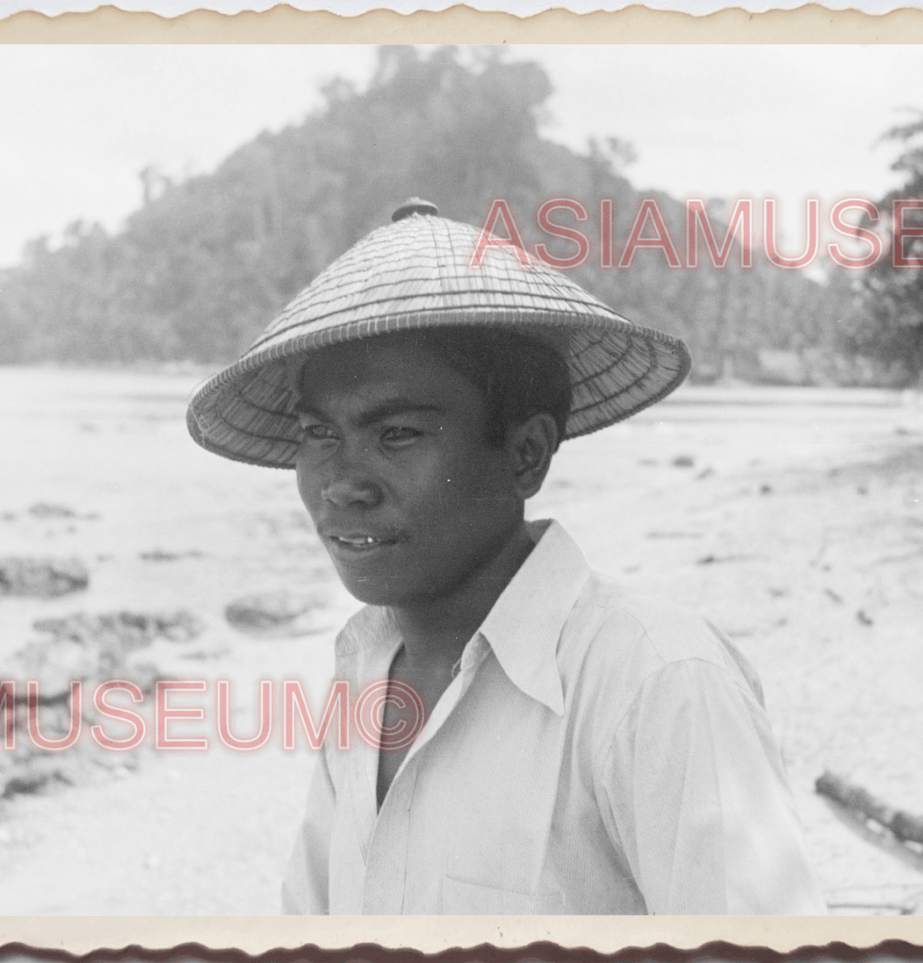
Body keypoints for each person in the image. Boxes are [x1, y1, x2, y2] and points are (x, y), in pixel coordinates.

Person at [186, 198, 825, 915]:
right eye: (317, 433)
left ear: (525, 453)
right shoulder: (365, 668)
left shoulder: (656, 683)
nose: (341, 482)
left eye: (396, 433)